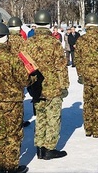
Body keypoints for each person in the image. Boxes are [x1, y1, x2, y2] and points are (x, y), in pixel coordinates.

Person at [0, 22, 32, 173]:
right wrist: (33, 78)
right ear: (6, 38)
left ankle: (0, 165)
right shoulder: (13, 59)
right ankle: (11, 166)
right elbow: (25, 80)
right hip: (13, 101)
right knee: (13, 134)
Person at [25, 10, 69, 160]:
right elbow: (61, 67)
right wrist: (64, 86)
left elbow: (24, 66)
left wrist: (29, 86)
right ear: (48, 24)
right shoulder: (55, 43)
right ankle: (49, 148)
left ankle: (39, 148)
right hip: (53, 87)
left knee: (40, 117)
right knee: (53, 118)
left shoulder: (28, 43)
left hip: (36, 88)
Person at [75, 13, 98, 138]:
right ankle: (97, 131)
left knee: (88, 102)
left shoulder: (81, 40)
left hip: (86, 77)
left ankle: (89, 129)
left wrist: (80, 73)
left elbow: (77, 59)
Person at [8, 17, 31, 127]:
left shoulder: (5, 39)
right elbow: (26, 57)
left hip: (5, 73)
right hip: (18, 73)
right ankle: (18, 121)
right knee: (18, 99)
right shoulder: (21, 40)